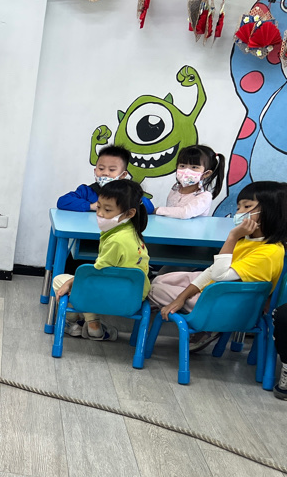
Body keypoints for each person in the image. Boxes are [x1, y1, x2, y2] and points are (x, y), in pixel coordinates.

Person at [152, 181, 287, 353]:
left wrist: (232, 237)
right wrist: (182, 297)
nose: (239, 213)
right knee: (160, 280)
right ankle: (199, 320)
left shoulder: (268, 252)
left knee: (154, 289)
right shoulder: (247, 240)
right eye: (238, 207)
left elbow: (219, 275)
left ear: (271, 211)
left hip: (226, 306)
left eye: (247, 207)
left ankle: (209, 326)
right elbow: (212, 272)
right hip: (219, 290)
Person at [54, 179, 151, 341]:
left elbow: (96, 274)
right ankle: (83, 322)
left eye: (107, 210)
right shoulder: (132, 232)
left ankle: (87, 323)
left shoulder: (116, 240)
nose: (100, 213)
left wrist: (70, 282)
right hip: (135, 296)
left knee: (60, 281)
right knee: (77, 283)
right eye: (98, 207)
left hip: (114, 297)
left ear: (129, 213)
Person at [58, 144, 156, 214]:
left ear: (123, 175)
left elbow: (149, 208)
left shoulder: (128, 193)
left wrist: (130, 201)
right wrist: (91, 206)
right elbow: (62, 201)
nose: (105, 173)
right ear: (95, 170)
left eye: (112, 170)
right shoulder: (87, 191)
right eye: (101, 169)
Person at [154, 144, 225, 219]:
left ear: (206, 173)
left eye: (194, 167)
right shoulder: (175, 189)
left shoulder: (204, 196)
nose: (186, 170)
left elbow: (185, 213)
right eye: (182, 166)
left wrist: (157, 210)